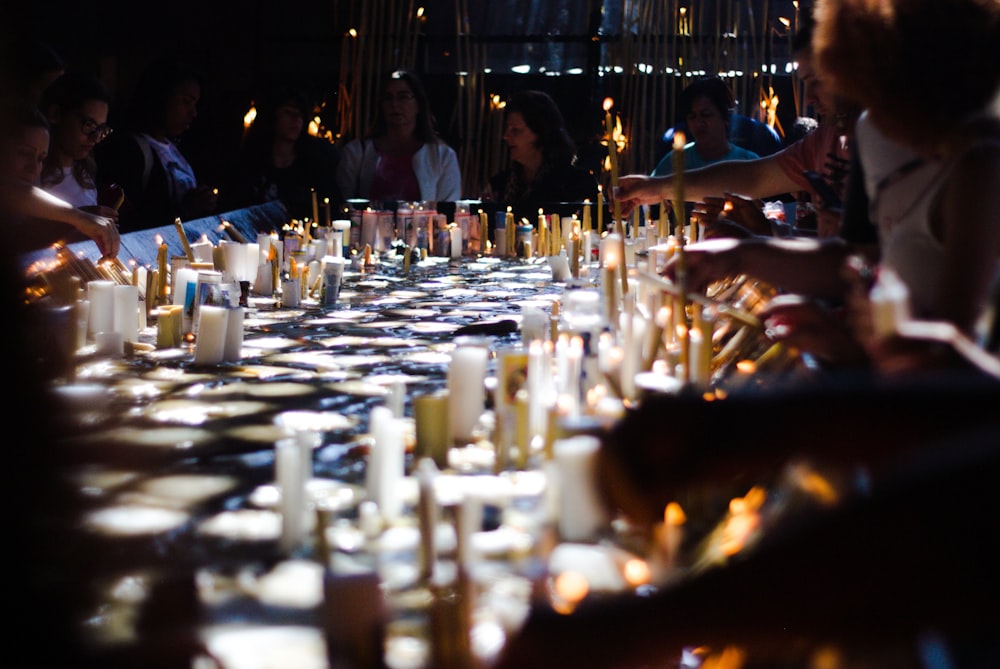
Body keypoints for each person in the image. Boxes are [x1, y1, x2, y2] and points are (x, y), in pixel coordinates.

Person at [615, 11, 859, 239]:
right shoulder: (824, 141)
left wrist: (762, 234)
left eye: (817, 81)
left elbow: (865, 254)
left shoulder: (886, 138)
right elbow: (753, 177)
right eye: (692, 116)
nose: (809, 98)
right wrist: (656, 187)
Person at [96, 54, 218, 232]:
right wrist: (185, 209)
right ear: (161, 96)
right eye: (186, 102)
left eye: (196, 104)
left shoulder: (176, 146)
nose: (193, 113)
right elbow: (130, 220)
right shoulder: (129, 151)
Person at [1, 97, 120, 258]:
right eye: (24, 153)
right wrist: (79, 218)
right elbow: (13, 191)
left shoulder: (85, 171)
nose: (34, 168)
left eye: (41, 158)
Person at [336, 68, 461, 207]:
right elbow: (344, 204)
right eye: (388, 98)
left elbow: (447, 211)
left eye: (403, 97)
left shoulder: (442, 156)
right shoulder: (356, 153)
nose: (394, 104)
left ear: (418, 104)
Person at [221, 79, 341, 221]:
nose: (296, 119)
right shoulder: (251, 161)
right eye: (289, 113)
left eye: (300, 114)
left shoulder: (314, 163)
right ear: (274, 116)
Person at [486, 89, 599, 222]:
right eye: (507, 129)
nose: (505, 136)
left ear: (541, 133)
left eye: (515, 130)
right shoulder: (500, 185)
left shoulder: (577, 184)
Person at [38, 71, 120, 220]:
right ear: (55, 114)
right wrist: (78, 221)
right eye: (89, 125)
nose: (96, 138)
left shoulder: (84, 171)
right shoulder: (32, 173)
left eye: (101, 129)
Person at [652, 77, 760, 176]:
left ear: (724, 117)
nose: (698, 123)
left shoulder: (748, 162)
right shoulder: (675, 162)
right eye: (692, 117)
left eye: (706, 115)